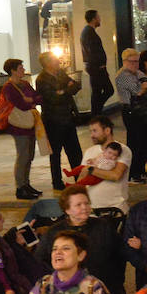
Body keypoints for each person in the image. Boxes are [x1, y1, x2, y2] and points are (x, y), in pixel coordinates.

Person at [37, 185, 126, 294]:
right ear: (67, 210)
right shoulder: (54, 233)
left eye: (86, 203)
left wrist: (117, 281)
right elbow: (41, 262)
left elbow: (120, 254)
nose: (84, 208)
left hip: (104, 293)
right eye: (78, 205)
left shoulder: (103, 226)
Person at [35, 51, 83, 195]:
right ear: (48, 63)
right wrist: (65, 90)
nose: (58, 62)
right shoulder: (42, 79)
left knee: (75, 151)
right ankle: (57, 182)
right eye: (55, 60)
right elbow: (52, 98)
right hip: (53, 120)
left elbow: (76, 86)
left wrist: (63, 91)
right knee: (55, 153)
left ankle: (79, 178)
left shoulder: (60, 73)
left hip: (68, 118)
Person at [0, 58, 42, 200]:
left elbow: (38, 98)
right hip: (18, 126)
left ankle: (26, 184)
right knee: (23, 156)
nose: (23, 70)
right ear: (13, 70)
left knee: (29, 155)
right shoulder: (8, 87)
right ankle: (20, 187)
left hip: (29, 124)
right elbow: (21, 104)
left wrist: (30, 100)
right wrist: (31, 101)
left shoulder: (25, 84)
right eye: (21, 68)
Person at [116, 48, 147, 183]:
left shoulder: (138, 73)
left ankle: (141, 170)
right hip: (131, 112)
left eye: (137, 61)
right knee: (135, 143)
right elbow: (137, 91)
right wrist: (144, 86)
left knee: (146, 141)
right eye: (132, 62)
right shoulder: (122, 76)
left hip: (143, 111)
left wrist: (146, 85)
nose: (135, 64)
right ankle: (133, 172)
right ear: (124, 62)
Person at [79, 115, 130, 214]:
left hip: (114, 209)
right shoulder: (89, 152)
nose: (91, 135)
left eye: (95, 131)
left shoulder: (122, 150)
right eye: (90, 131)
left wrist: (91, 169)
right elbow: (81, 178)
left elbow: (115, 175)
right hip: (91, 210)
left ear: (107, 131)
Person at [81, 9, 114, 117]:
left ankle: (97, 114)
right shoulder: (89, 33)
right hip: (97, 68)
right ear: (94, 19)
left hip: (95, 67)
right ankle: (96, 113)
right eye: (98, 17)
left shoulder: (88, 32)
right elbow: (92, 51)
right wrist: (100, 65)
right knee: (107, 90)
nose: (100, 19)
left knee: (98, 92)